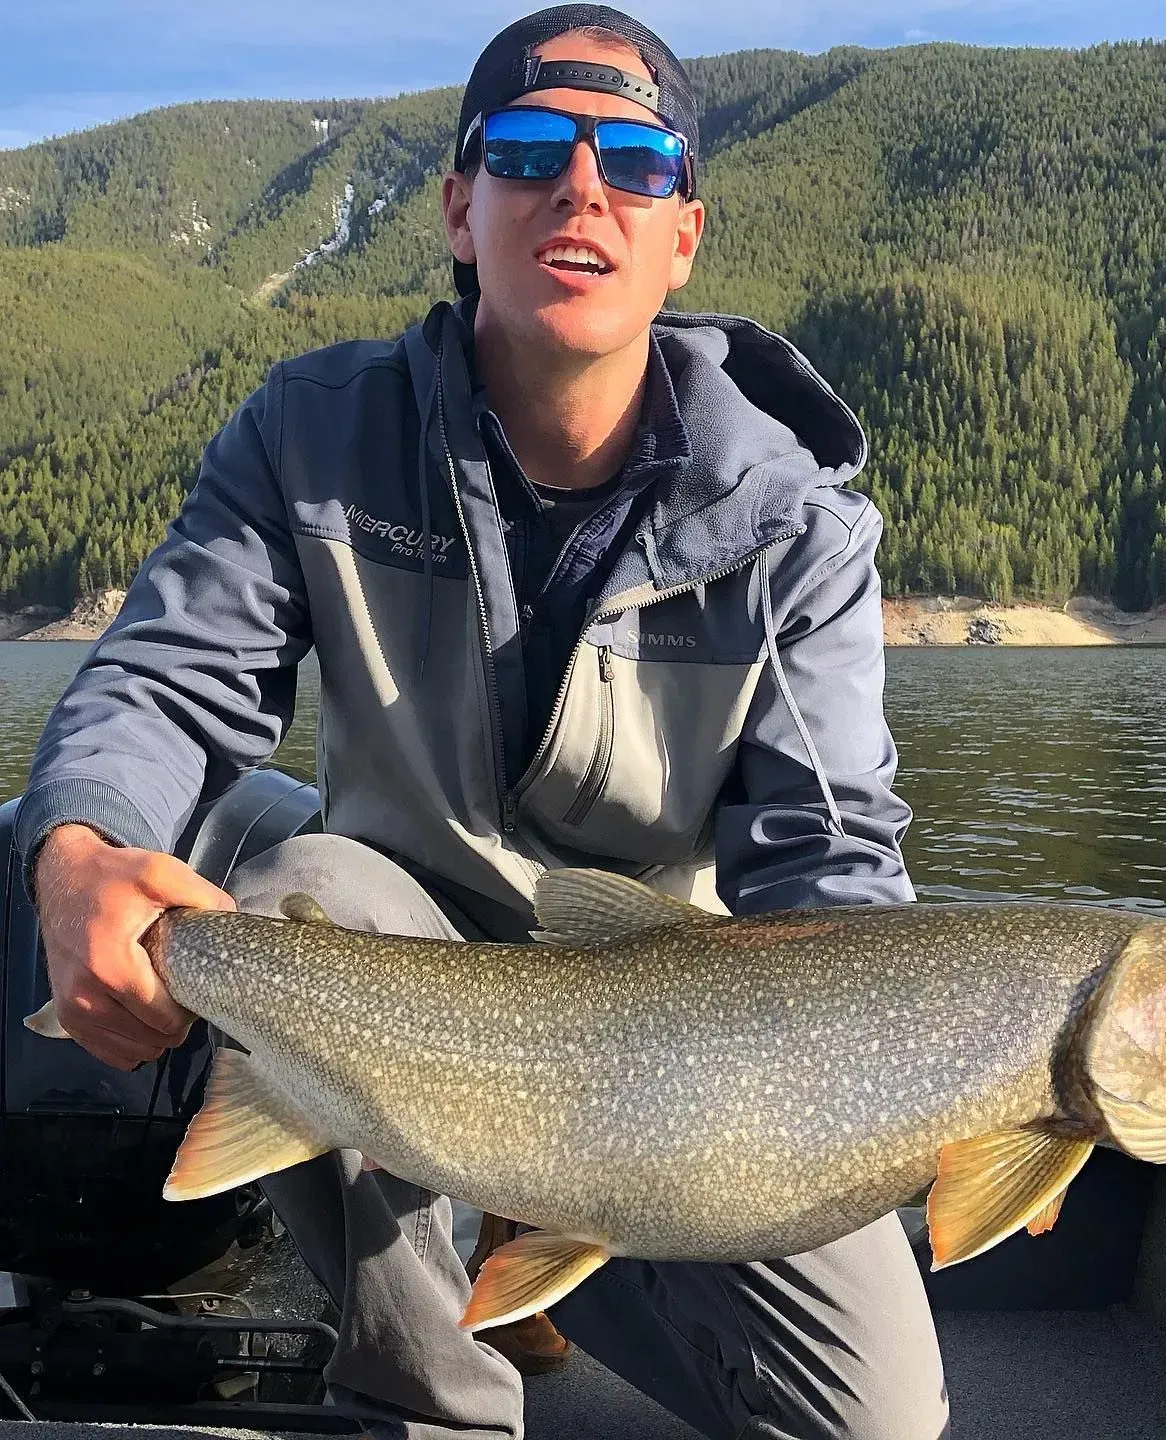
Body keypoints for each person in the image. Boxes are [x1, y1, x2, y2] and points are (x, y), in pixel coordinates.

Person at [17, 6, 949, 1438]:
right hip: (396, 975)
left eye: (635, 163)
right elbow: (160, 684)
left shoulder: (802, 532)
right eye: (528, 151)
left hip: (671, 1046)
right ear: (460, 208)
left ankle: (534, 1233)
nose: (581, 189)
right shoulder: (309, 434)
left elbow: (827, 868)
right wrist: (76, 847)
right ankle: (436, 1400)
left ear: (681, 234)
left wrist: (925, 1093)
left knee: (872, 1421)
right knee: (300, 887)